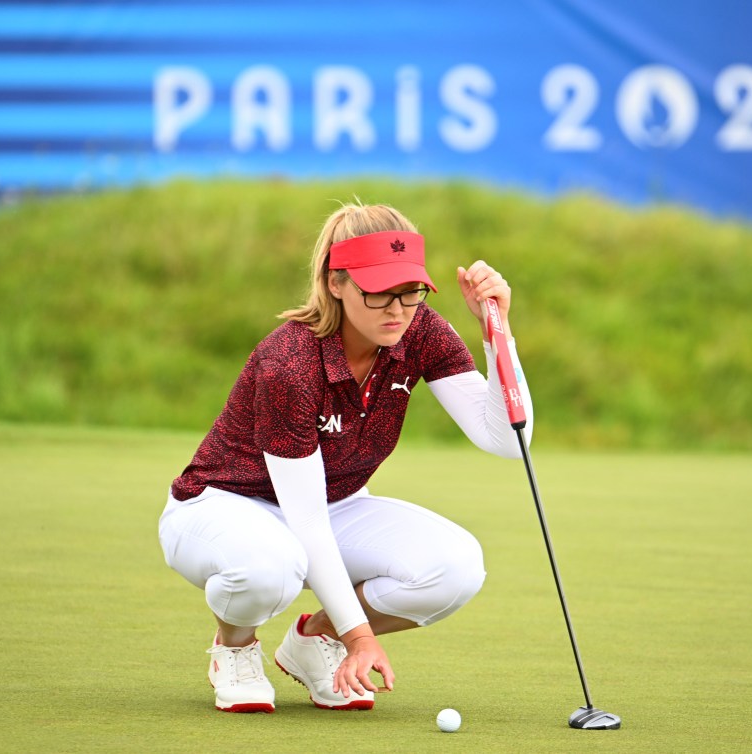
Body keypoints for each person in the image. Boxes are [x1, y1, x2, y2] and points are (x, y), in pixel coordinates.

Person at [158, 202, 533, 713]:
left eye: (411, 290)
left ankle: (316, 640)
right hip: (223, 506)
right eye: (378, 291)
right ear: (336, 282)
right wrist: (363, 638)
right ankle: (235, 646)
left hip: (337, 504)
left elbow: (508, 439)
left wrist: (498, 330)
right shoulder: (289, 361)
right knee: (271, 568)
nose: (397, 309)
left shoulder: (419, 331)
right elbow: (305, 519)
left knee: (456, 568)